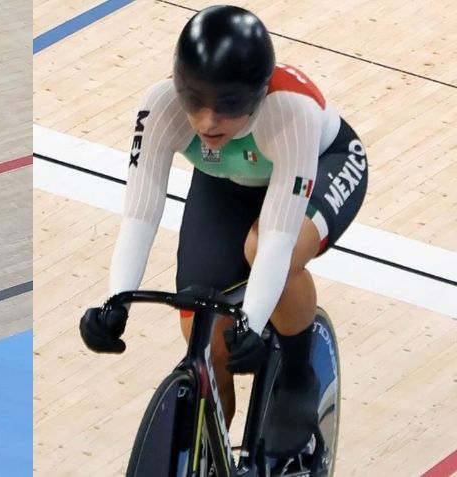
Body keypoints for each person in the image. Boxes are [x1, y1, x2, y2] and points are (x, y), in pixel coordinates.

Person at [79, 5, 367, 459]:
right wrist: (115, 301)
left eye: (228, 106)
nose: (208, 122)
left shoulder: (290, 111)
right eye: (195, 102)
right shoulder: (161, 106)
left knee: (265, 249)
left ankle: (298, 377)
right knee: (201, 318)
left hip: (323, 163)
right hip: (228, 181)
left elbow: (276, 241)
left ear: (257, 95)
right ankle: (211, 452)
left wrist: (253, 320)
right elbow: (139, 215)